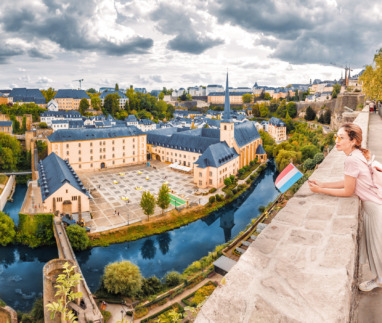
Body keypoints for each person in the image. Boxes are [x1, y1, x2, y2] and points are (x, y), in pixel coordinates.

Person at [309, 123, 382, 292]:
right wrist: (323, 183)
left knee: (377, 248)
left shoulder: (351, 160)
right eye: (337, 137)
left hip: (374, 209)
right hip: (375, 205)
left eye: (341, 138)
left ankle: (379, 280)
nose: (337, 141)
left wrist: (320, 190)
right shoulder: (357, 155)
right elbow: (350, 182)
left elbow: (348, 191)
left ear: (353, 141)